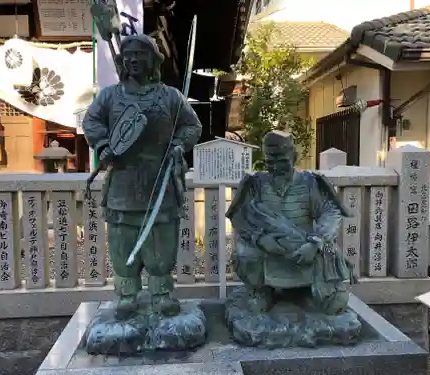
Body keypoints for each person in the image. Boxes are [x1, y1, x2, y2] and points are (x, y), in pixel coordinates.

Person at [82, 35, 202, 317]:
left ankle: (162, 292)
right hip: (123, 177)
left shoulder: (171, 96)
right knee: (123, 237)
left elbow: (191, 126)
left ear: (153, 60)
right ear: (123, 61)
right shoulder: (110, 96)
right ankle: (127, 293)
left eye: (140, 54)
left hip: (159, 177)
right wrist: (103, 145)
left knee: (160, 237)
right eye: (129, 55)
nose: (134, 60)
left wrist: (178, 146)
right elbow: (92, 121)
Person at [226, 130, 355, 315]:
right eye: (271, 162)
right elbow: (240, 216)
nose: (276, 167)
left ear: (294, 157)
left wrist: (315, 242)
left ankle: (315, 290)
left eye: (282, 161)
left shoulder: (311, 183)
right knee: (245, 252)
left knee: (335, 306)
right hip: (269, 246)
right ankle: (261, 291)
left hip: (304, 244)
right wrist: (260, 239)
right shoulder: (255, 184)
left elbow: (330, 212)